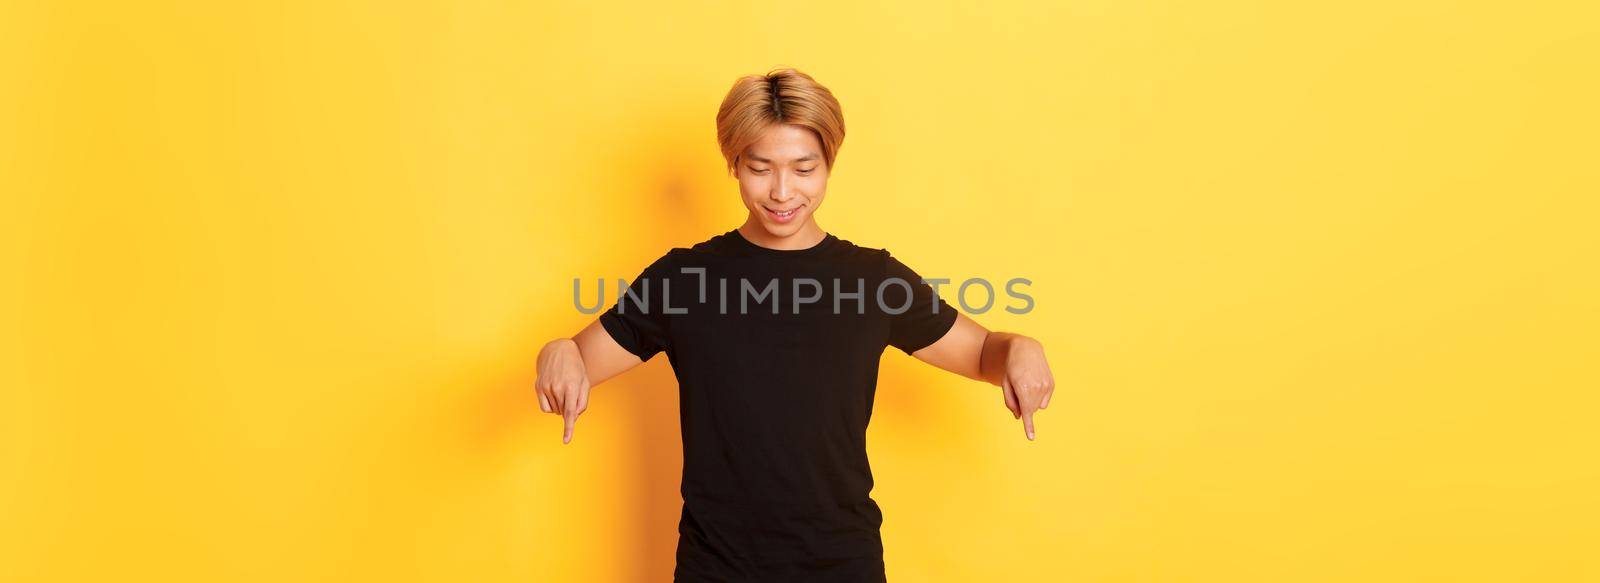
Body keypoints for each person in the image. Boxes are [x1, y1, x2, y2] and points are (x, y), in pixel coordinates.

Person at [534, 67, 1056, 582]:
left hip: (842, 564)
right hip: (716, 568)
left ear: (829, 164)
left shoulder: (873, 280)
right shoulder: (682, 279)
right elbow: (578, 358)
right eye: (761, 168)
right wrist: (557, 349)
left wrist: (1020, 345)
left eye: (804, 169)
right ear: (734, 165)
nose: (782, 192)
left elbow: (985, 352)